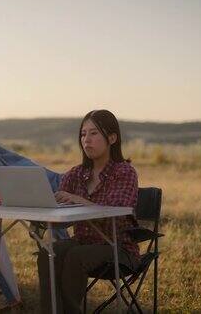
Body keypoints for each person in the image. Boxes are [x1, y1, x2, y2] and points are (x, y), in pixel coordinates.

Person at [37, 109, 140, 314]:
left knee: (76, 255)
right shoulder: (76, 174)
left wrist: (79, 200)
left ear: (112, 138)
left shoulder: (124, 172)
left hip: (119, 248)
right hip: (84, 242)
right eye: (83, 134)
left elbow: (117, 211)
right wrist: (40, 212)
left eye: (94, 133)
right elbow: (64, 219)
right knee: (49, 253)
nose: (86, 140)